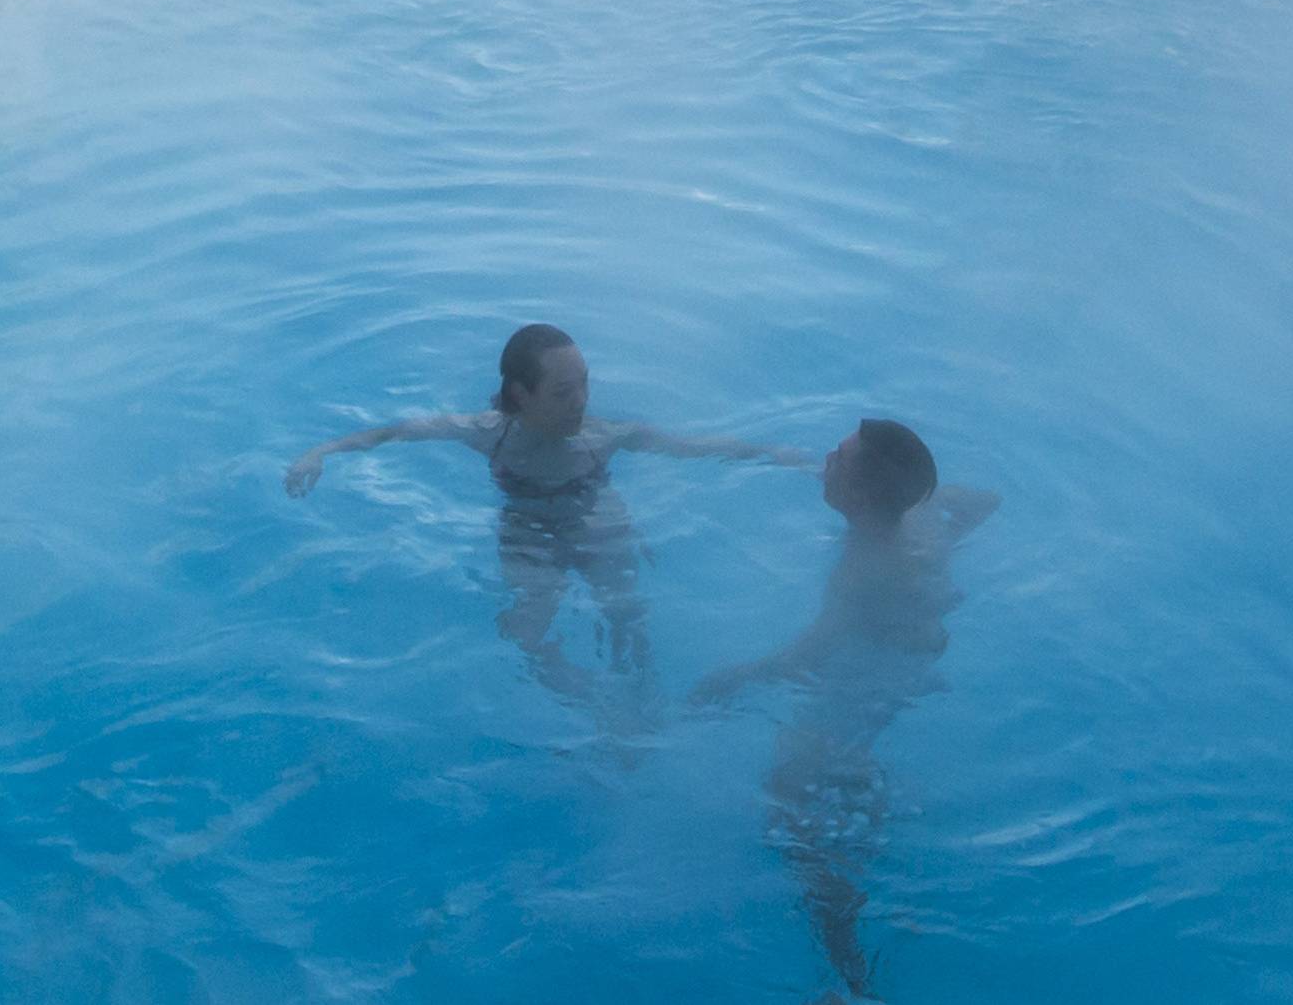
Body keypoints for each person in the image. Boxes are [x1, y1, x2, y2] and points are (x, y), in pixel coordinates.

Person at [284, 322, 812, 704]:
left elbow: (692, 446)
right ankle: (591, 705)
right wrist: (320, 453)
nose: (581, 401)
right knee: (525, 634)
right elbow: (394, 432)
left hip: (594, 517)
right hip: (527, 531)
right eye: (563, 391)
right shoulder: (489, 434)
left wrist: (774, 455)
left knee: (626, 612)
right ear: (520, 394)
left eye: (585, 384)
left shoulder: (602, 438)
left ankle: (640, 703)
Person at [695, 416, 989, 996]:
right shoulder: (921, 520)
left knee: (797, 817)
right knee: (849, 786)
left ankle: (853, 981)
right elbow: (983, 501)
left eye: (837, 459)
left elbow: (809, 655)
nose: (824, 461)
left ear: (860, 493)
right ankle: (890, 895)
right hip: (899, 671)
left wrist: (733, 678)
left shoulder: (866, 570)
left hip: (862, 684)